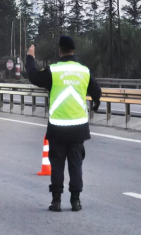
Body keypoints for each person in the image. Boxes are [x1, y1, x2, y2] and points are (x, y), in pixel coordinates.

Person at [25, 36, 102, 212]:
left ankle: (56, 201)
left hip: (58, 127)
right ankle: (76, 201)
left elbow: (33, 77)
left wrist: (30, 58)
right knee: (76, 165)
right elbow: (96, 91)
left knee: (57, 164)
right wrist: (96, 103)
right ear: (74, 50)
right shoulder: (84, 71)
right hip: (78, 128)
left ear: (60, 50)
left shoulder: (53, 71)